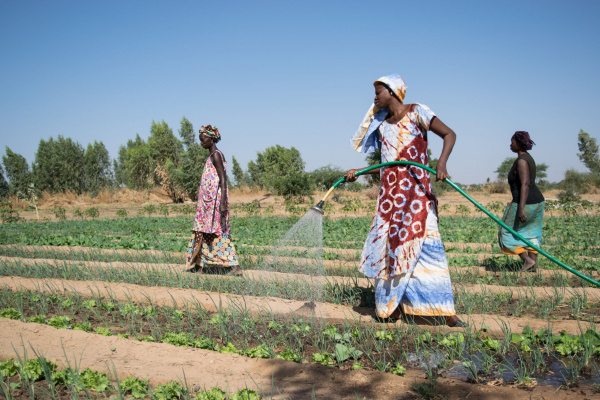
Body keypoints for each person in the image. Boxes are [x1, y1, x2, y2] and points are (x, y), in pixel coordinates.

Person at [346, 74, 464, 327]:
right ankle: (391, 308)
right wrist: (359, 171)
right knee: (390, 250)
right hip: (389, 199)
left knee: (428, 248)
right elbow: (388, 166)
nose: (375, 97)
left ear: (393, 91)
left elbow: (449, 134)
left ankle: (445, 311)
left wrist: (441, 163)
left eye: (379, 91)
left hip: (417, 197)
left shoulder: (417, 112)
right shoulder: (383, 126)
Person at [185, 125, 243, 276]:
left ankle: (235, 267)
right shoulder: (210, 156)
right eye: (200, 140)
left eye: (203, 139)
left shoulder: (216, 155)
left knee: (218, 233)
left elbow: (223, 179)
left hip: (215, 205)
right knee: (204, 233)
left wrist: (223, 202)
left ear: (211, 139)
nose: (201, 142)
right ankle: (199, 267)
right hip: (207, 206)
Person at [498, 131, 545, 272]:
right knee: (532, 233)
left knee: (504, 232)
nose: (510, 145)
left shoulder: (522, 161)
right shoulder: (529, 158)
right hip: (537, 202)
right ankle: (532, 267)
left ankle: (527, 260)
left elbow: (524, 184)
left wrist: (521, 208)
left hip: (524, 203)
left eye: (512, 142)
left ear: (518, 144)